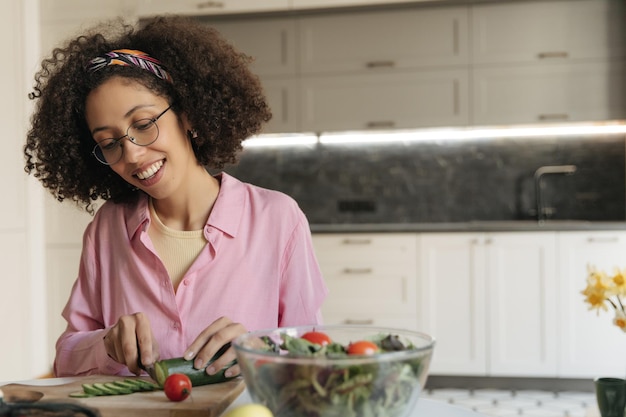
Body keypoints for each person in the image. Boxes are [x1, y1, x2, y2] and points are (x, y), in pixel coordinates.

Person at [24, 15, 328, 378]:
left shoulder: (277, 218)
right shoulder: (108, 227)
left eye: (143, 124)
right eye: (109, 143)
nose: (132, 154)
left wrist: (258, 349)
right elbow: (67, 358)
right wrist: (106, 343)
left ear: (187, 115)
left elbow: (313, 350)